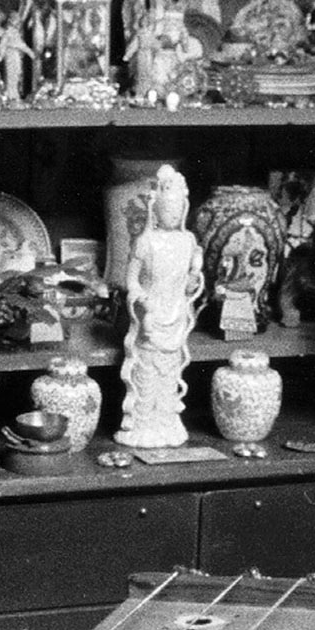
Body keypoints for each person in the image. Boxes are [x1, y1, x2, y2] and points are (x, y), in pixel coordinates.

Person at [116, 165, 204, 449]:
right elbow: (132, 281)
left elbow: (193, 274)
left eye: (178, 210)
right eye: (167, 209)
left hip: (176, 316)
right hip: (151, 317)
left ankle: (165, 423)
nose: (173, 215)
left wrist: (193, 278)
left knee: (170, 374)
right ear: (156, 209)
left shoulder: (188, 241)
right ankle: (142, 425)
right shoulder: (145, 241)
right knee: (147, 374)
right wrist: (142, 300)